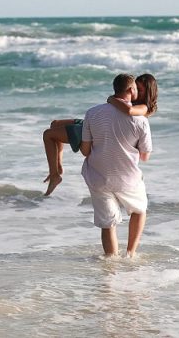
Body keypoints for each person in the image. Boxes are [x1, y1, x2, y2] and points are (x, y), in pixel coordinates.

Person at [42, 73, 157, 196]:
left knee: (48, 135)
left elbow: (128, 111)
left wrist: (112, 99)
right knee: (55, 124)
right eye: (136, 88)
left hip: (98, 129)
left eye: (140, 90)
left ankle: (55, 174)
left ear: (148, 93)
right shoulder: (132, 101)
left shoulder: (144, 107)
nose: (137, 92)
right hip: (93, 123)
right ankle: (58, 168)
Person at [79, 73, 153, 257]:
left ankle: (110, 264)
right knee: (139, 210)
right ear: (131, 90)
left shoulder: (92, 113)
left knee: (108, 222)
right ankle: (130, 253)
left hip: (97, 176)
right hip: (126, 178)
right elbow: (144, 156)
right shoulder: (141, 120)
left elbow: (85, 151)